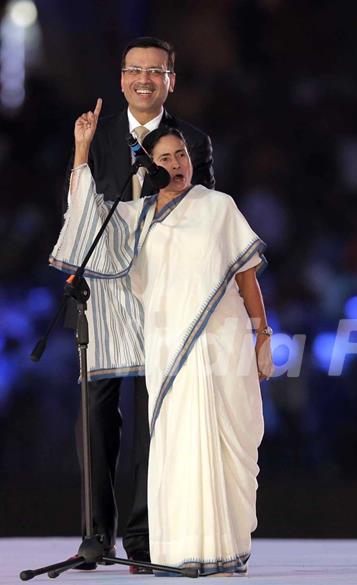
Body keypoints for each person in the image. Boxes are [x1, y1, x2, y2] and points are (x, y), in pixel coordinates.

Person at [51, 98, 271, 576]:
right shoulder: (134, 218)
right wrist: (82, 150)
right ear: (149, 166)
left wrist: (262, 334)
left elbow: (247, 277)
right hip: (168, 347)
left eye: (183, 156)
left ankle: (223, 547)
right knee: (175, 443)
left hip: (220, 341)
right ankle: (179, 550)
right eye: (166, 158)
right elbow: (86, 214)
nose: (177, 164)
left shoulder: (218, 207)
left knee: (225, 440)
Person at [64, 36, 214, 571]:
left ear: (172, 79)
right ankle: (93, 535)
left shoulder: (191, 140)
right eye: (134, 70)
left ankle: (144, 537)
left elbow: (206, 217)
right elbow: (79, 209)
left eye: (156, 71)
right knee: (97, 414)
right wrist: (80, 155)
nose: (144, 79)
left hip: (163, 296)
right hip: (103, 294)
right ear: (121, 76)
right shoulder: (95, 135)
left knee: (156, 416)